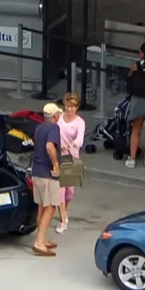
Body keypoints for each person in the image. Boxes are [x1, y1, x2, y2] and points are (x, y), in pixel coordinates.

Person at [30, 103, 64, 257]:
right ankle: (39, 242)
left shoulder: (39, 127)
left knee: (42, 207)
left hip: (36, 170)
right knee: (50, 207)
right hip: (48, 173)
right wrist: (56, 165)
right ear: (55, 115)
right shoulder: (54, 128)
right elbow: (50, 146)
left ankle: (42, 239)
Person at [56, 93, 86, 234]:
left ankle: (64, 211)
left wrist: (73, 144)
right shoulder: (59, 118)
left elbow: (80, 140)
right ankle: (63, 219)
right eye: (67, 106)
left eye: (72, 107)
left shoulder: (80, 122)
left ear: (77, 107)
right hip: (58, 157)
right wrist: (59, 144)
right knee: (60, 190)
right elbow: (54, 133)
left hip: (72, 158)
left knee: (69, 191)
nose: (69, 109)